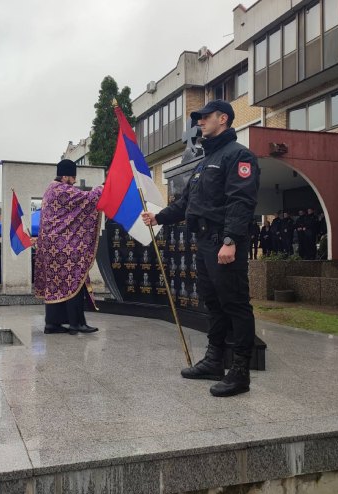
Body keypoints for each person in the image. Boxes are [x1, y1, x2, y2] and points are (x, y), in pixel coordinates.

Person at [142, 100, 260, 397]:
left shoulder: (238, 156)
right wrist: (159, 217)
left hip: (223, 241)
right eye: (199, 119)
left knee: (235, 304)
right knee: (214, 304)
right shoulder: (205, 161)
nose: (200, 122)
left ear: (223, 118)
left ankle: (240, 372)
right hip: (205, 242)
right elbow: (187, 203)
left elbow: (240, 201)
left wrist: (230, 240)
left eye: (205, 117)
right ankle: (214, 360)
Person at [34, 159, 102, 335]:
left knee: (56, 285)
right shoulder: (62, 190)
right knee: (75, 280)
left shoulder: (50, 189)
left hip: (51, 247)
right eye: (72, 178)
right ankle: (76, 323)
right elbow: (87, 199)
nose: (74, 182)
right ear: (64, 176)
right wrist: (103, 187)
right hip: (62, 247)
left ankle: (52, 324)